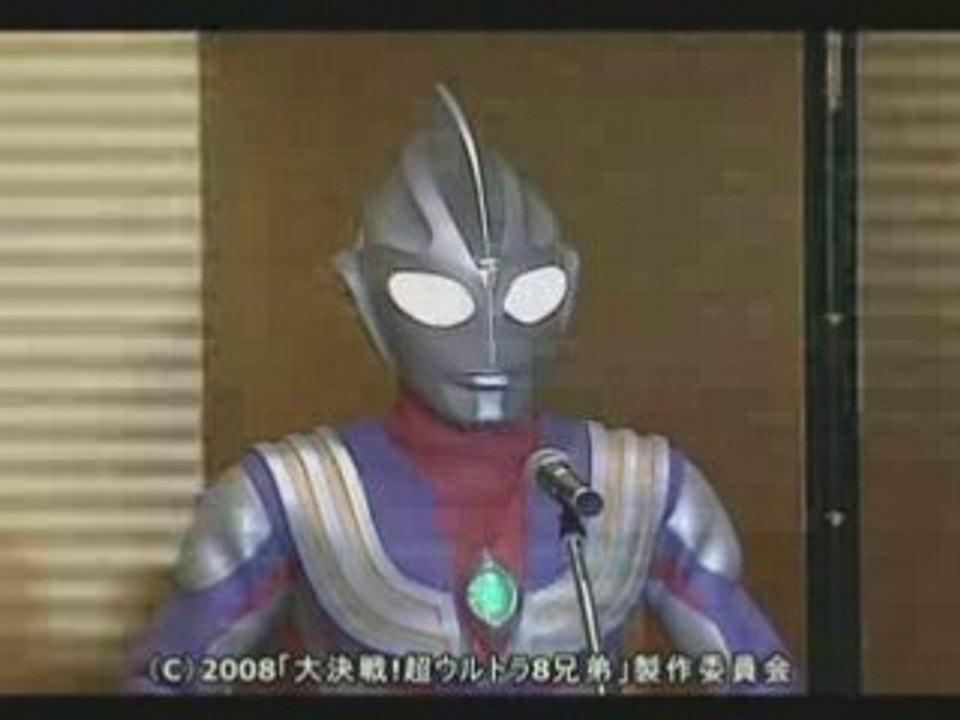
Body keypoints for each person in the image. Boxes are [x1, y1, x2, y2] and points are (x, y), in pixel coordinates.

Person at [124, 85, 798, 695]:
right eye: (437, 298)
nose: (489, 339)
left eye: (528, 295)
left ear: (565, 289)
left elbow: (760, 678)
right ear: (367, 298)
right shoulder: (284, 498)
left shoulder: (648, 488)